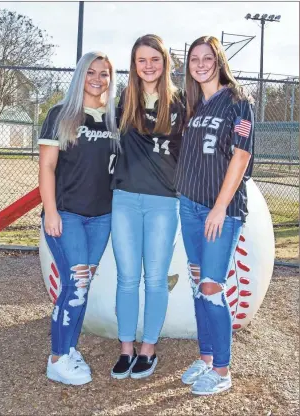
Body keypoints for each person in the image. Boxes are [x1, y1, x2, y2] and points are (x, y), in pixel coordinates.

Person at [174, 35, 254, 395]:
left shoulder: (238, 103)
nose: (201, 64)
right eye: (195, 59)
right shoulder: (193, 105)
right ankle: (205, 358)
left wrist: (220, 207)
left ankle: (222, 370)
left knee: (211, 287)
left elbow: (240, 157)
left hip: (219, 209)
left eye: (208, 57)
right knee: (197, 284)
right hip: (189, 205)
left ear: (219, 61)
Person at [38, 51, 118, 385]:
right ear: (80, 75)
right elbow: (47, 167)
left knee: (80, 287)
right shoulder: (61, 114)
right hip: (67, 214)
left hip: (101, 218)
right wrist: (52, 212)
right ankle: (57, 358)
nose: (98, 79)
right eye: (91, 72)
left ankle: (69, 349)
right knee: (77, 285)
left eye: (104, 73)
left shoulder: (114, 119)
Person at [110, 34, 185, 380]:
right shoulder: (125, 99)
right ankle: (126, 349)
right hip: (125, 199)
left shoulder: (180, 102)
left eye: (155, 59)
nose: (149, 66)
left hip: (162, 202)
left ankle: (148, 349)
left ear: (165, 62)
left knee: (154, 279)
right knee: (127, 279)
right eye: (142, 60)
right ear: (134, 64)